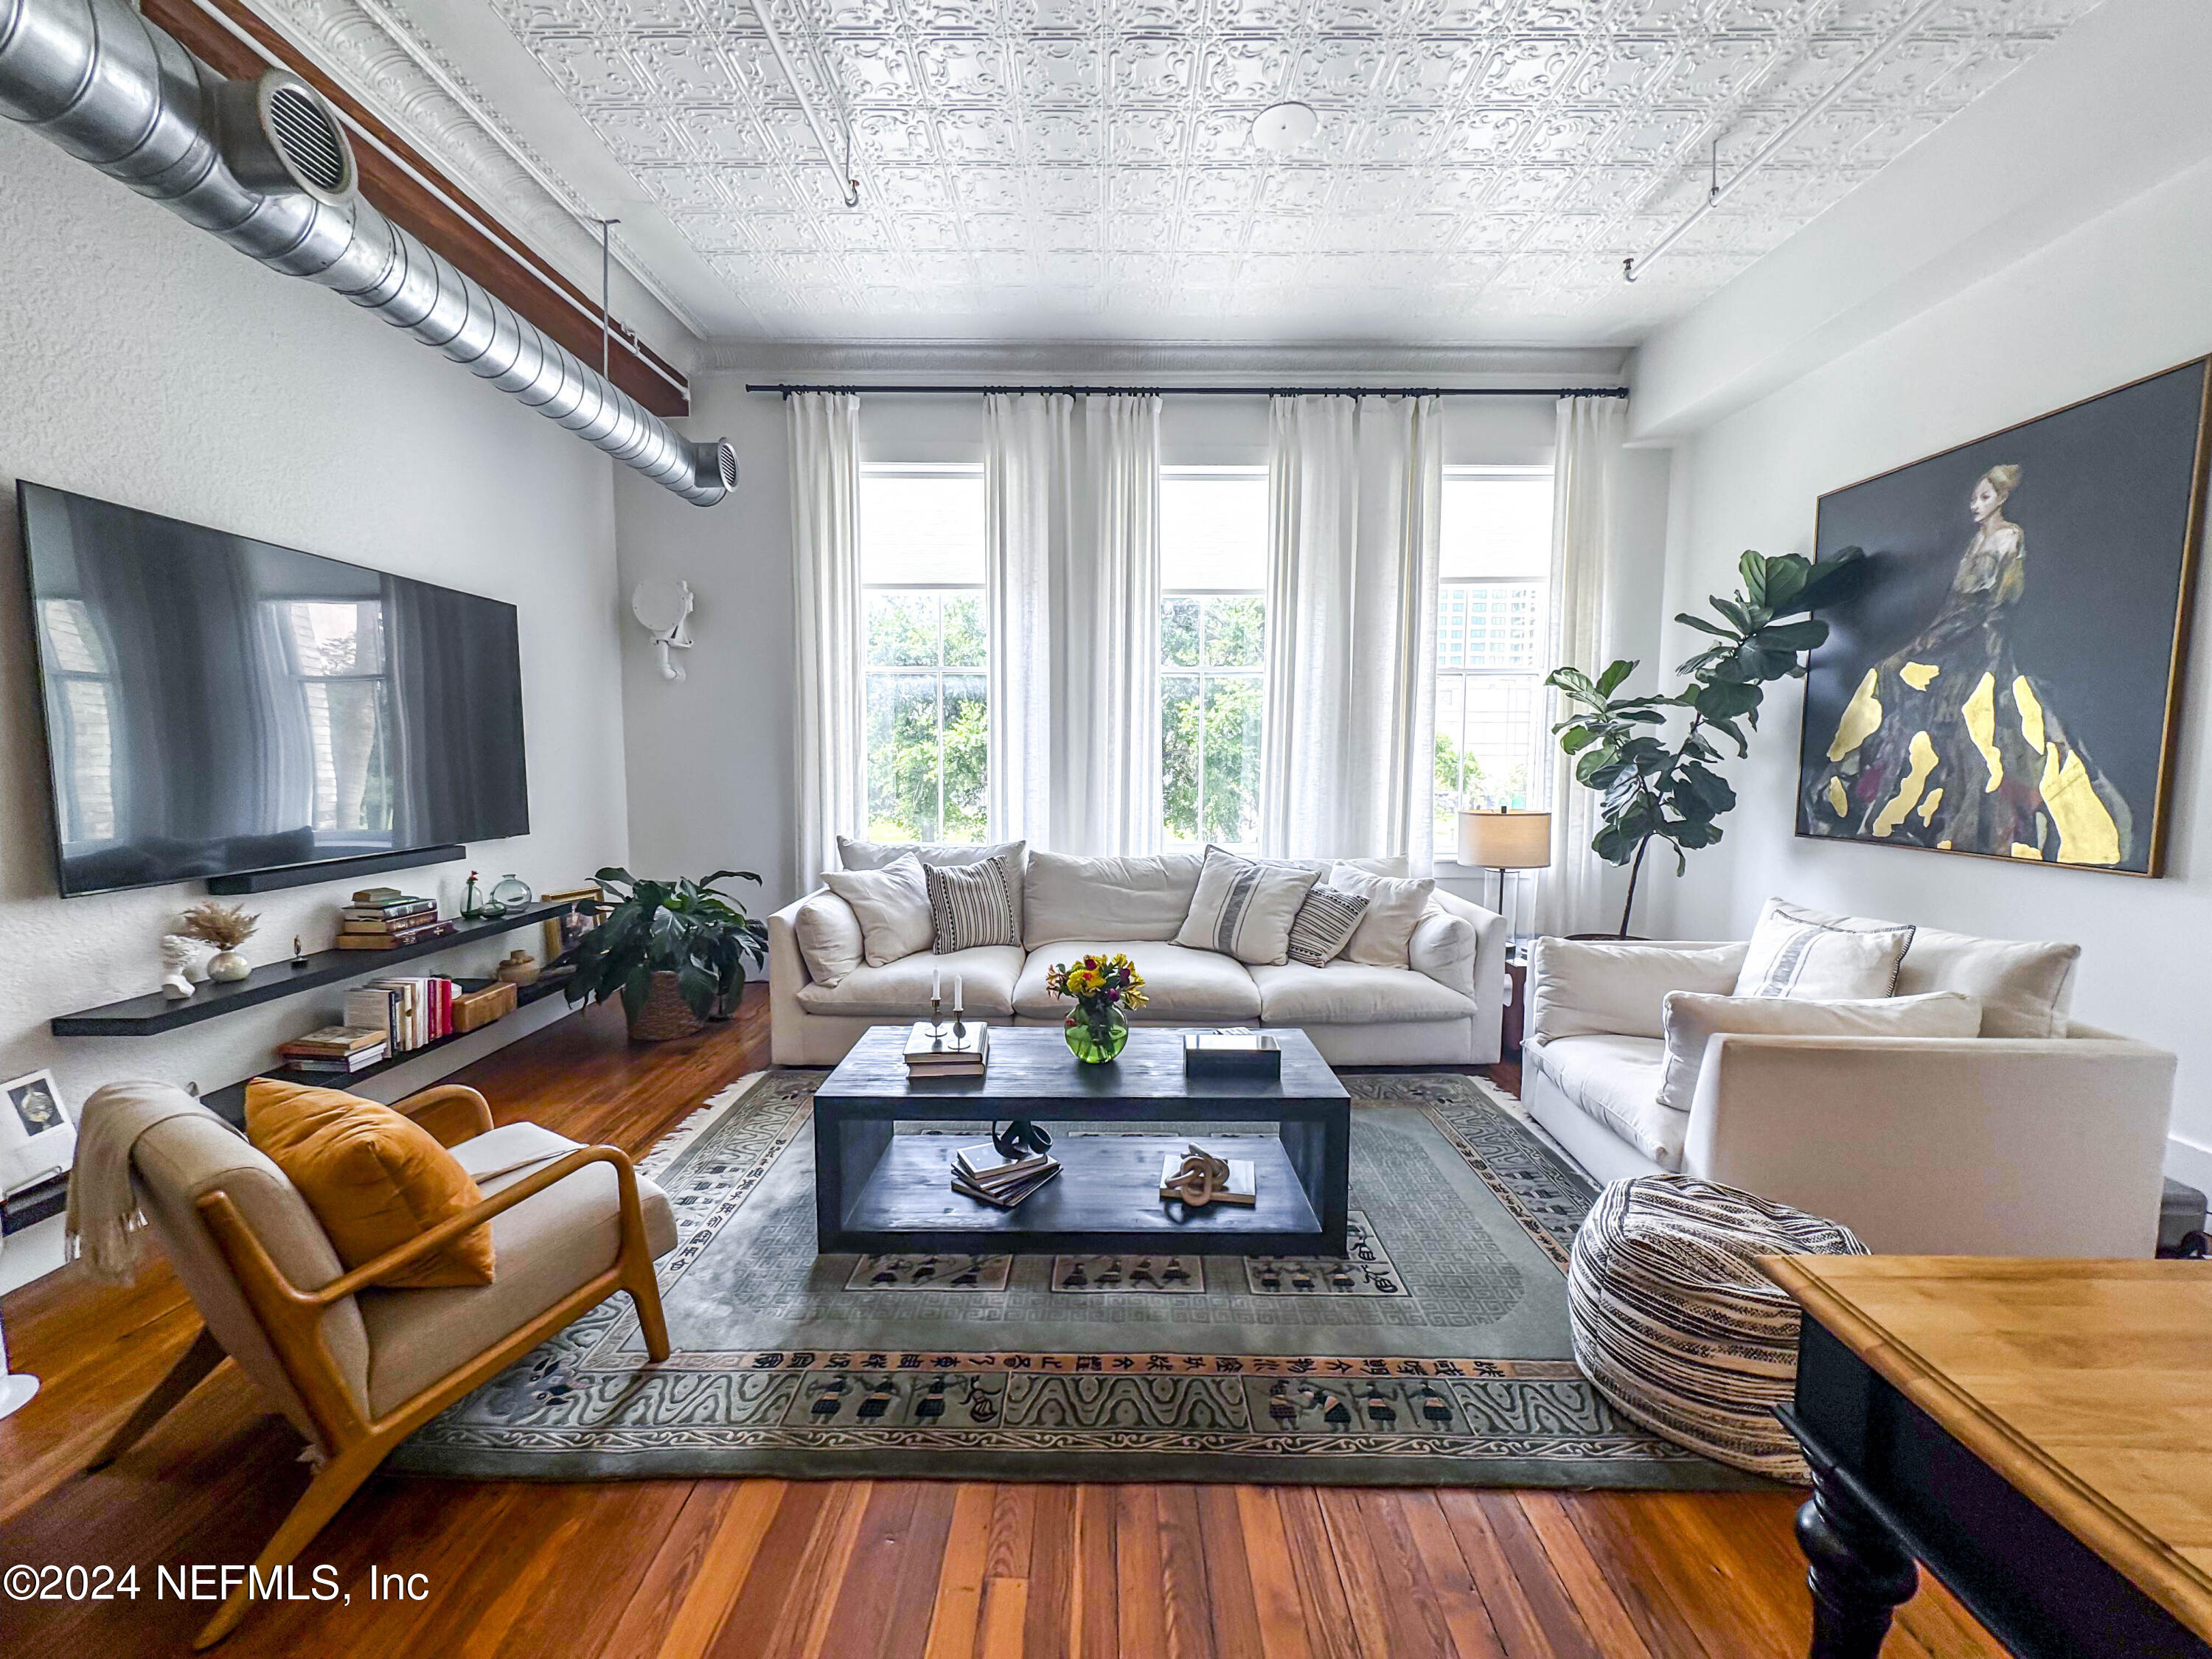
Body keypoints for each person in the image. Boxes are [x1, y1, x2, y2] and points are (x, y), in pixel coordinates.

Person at [1804, 464, 2129, 864]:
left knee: (1971, 716)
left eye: (1985, 497)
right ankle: (1883, 789)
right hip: (1952, 628)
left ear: (2003, 499)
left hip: (1981, 637)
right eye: (1974, 498)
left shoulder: (2011, 537)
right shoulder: (1977, 541)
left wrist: (1954, 636)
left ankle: (1969, 810)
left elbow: (2000, 599)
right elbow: (1954, 600)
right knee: (1892, 672)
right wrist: (1928, 638)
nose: (1976, 505)